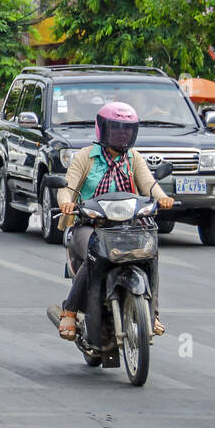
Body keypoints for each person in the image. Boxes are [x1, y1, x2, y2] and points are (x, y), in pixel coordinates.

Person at [54, 101, 173, 343]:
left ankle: (152, 313)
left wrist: (163, 198)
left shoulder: (134, 158)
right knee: (95, 254)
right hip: (90, 224)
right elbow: (67, 188)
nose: (122, 134)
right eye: (116, 128)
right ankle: (70, 309)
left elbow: (150, 185)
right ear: (102, 129)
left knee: (151, 253)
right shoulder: (85, 157)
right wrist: (66, 202)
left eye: (127, 129)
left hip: (128, 225)